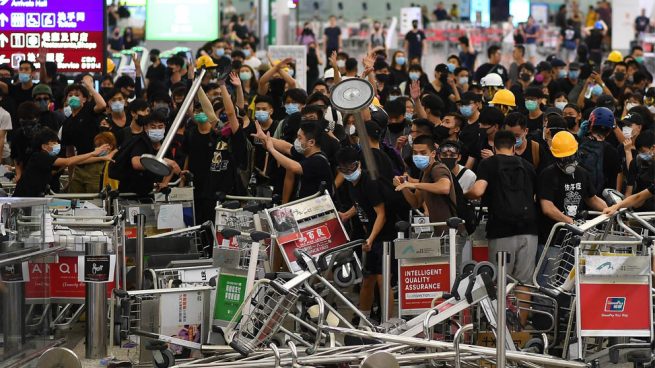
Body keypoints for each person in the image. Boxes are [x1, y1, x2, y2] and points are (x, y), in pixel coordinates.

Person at [465, 130, 538, 325]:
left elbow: (478, 190)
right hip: (529, 230)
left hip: (501, 230)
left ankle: (500, 328)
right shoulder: (528, 166)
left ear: (494, 147)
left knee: (499, 281)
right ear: (514, 147)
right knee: (523, 282)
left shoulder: (489, 164)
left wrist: (464, 195)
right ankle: (520, 329)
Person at [336, 147, 396, 321]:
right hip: (370, 236)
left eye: (351, 168)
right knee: (367, 279)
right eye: (343, 170)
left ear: (359, 164)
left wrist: (371, 238)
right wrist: (347, 215)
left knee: (382, 280)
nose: (348, 172)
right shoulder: (352, 183)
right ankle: (364, 320)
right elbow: (361, 204)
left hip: (385, 237)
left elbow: (381, 214)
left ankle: (387, 323)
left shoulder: (370, 182)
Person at [538, 131, 608, 240]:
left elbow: (592, 199)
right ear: (555, 156)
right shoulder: (548, 175)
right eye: (563, 158)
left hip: (576, 238)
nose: (568, 161)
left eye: (571, 156)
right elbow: (547, 208)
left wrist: (610, 211)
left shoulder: (582, 173)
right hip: (552, 239)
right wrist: (571, 222)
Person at [13, 128, 110, 197]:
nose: (57, 145)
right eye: (54, 143)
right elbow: (68, 161)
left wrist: (102, 158)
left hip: (33, 198)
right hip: (24, 198)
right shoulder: (39, 156)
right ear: (44, 146)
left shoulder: (48, 159)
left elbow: (76, 160)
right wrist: (94, 153)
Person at [252, 119, 334, 200]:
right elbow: (287, 147)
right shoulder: (305, 152)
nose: (296, 141)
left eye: (299, 138)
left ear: (311, 142)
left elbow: (293, 167)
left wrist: (271, 149)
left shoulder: (319, 161)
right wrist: (265, 137)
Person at [61, 76, 108, 193]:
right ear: (66, 100)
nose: (73, 97)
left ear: (84, 99)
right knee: (76, 201)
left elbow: (102, 105)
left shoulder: (89, 110)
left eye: (77, 95)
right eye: (70, 95)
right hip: (79, 166)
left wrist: (90, 88)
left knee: (94, 201)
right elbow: (69, 153)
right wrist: (71, 176)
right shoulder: (67, 123)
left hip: (96, 164)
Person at [394, 135, 456, 223]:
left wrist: (413, 184)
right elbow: (416, 202)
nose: (418, 156)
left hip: (452, 230)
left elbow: (444, 188)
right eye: (415, 153)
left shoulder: (438, 169)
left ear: (433, 153)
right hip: (439, 229)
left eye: (423, 153)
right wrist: (403, 185)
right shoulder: (424, 172)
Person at [119, 111, 181, 196]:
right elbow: (136, 163)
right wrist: (160, 160)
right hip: (131, 193)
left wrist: (164, 183)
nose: (157, 130)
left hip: (151, 192)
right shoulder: (140, 142)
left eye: (160, 127)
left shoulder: (165, 145)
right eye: (153, 127)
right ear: (145, 128)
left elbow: (170, 167)